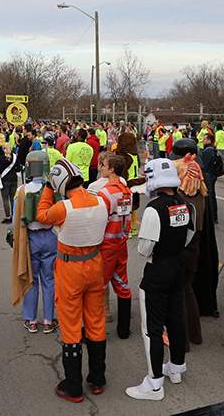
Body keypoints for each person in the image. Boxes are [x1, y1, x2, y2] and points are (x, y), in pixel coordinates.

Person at [36, 158, 108, 403]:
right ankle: (97, 378)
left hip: (70, 268)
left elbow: (41, 215)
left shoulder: (63, 208)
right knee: (96, 321)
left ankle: (73, 385)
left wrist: (48, 188)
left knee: (70, 324)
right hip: (95, 264)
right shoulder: (101, 200)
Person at [125, 158, 193, 401]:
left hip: (158, 270)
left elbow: (144, 249)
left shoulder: (154, 208)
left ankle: (154, 384)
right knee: (175, 318)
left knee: (151, 328)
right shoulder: (184, 203)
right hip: (177, 264)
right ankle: (176, 367)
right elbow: (189, 236)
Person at [11, 150, 58, 335]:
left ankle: (31, 320)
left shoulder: (22, 190)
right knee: (49, 279)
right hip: (51, 237)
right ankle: (48, 320)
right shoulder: (53, 188)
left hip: (30, 239)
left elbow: (16, 219)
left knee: (30, 279)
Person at [96, 152, 133, 339]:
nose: (100, 167)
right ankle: (124, 329)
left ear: (111, 170)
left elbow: (100, 220)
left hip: (107, 244)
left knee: (97, 287)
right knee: (122, 284)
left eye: (103, 165)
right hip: (121, 242)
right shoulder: (126, 190)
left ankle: (95, 333)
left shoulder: (105, 193)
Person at [172, 153, 207, 350]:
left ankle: (182, 339)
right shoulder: (201, 194)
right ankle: (195, 334)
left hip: (182, 246)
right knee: (188, 290)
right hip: (195, 244)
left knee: (179, 293)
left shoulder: (181, 197)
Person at [0, 142, 19, 224]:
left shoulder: (2, 158)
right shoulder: (15, 157)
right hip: (14, 179)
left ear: (3, 149)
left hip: (5, 180)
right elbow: (19, 169)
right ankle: (14, 215)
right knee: (13, 198)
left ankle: (7, 216)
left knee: (5, 198)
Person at [200, 132, 219, 223]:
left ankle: (212, 216)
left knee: (210, 197)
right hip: (211, 176)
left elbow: (204, 166)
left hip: (208, 176)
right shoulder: (211, 149)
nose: (203, 140)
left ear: (209, 140)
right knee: (211, 196)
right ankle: (213, 216)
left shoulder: (208, 151)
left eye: (204, 139)